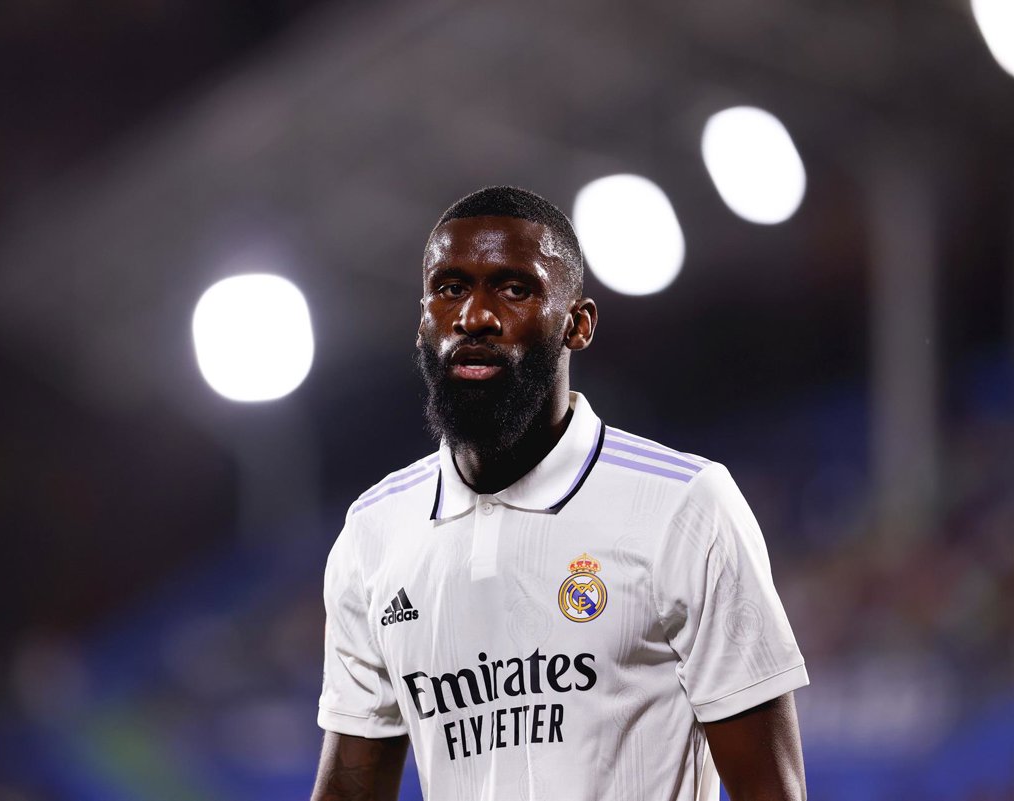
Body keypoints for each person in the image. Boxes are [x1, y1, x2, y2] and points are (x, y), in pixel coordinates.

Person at [311, 186, 809, 801]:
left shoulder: (684, 506)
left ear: (578, 324)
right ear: (423, 320)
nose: (475, 316)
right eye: (451, 288)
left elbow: (770, 791)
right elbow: (348, 790)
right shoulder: (374, 532)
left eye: (514, 289)